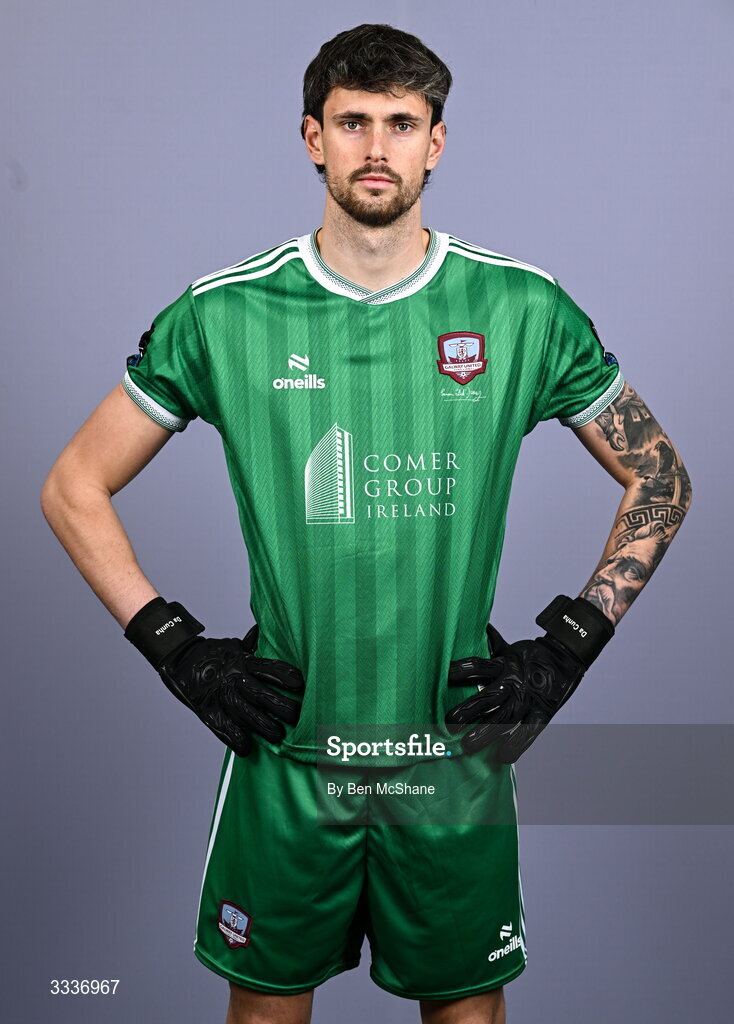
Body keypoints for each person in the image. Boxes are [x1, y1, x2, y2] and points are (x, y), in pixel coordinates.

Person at [40, 22, 692, 1024]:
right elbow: (73, 484)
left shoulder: (520, 307)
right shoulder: (225, 313)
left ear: (436, 141)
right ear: (311, 136)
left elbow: (659, 477)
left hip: (450, 759)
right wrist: (175, 648)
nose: (375, 146)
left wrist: (568, 647)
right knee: (264, 1012)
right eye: (352, 121)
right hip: (292, 757)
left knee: (465, 1014)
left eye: (400, 122)